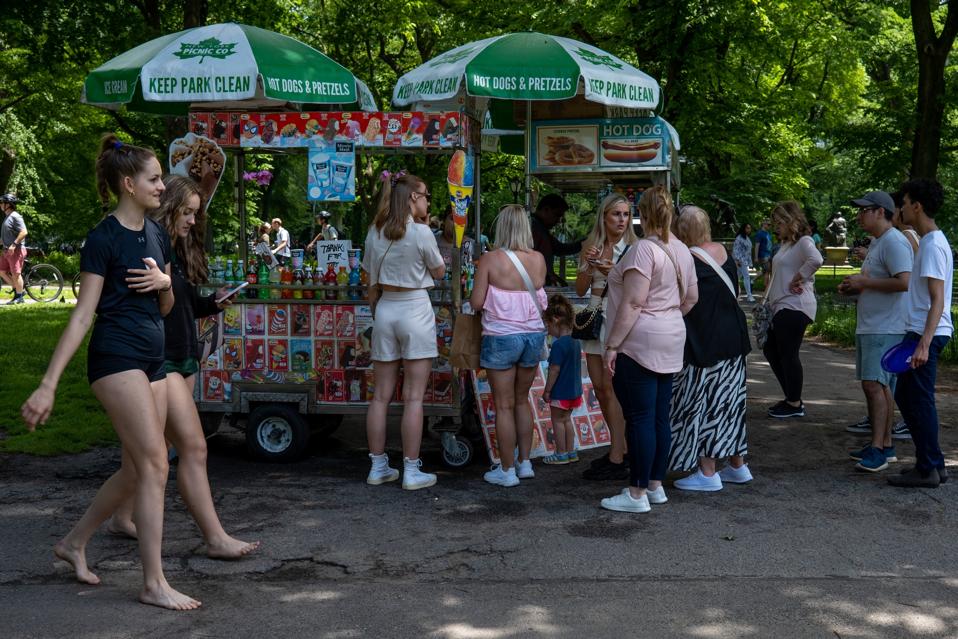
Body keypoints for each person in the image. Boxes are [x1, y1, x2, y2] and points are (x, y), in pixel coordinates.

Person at [20, 134, 200, 610]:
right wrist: (47, 384)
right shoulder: (102, 239)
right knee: (156, 465)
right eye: (155, 179)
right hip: (115, 357)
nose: (163, 186)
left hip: (153, 359)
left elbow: (164, 305)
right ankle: (153, 583)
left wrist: (165, 283)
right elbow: (83, 314)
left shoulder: (158, 234)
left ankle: (74, 543)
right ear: (128, 184)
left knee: (136, 467)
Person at [105, 175, 260, 557]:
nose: (193, 221)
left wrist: (213, 303)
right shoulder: (148, 245)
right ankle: (213, 538)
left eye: (195, 214)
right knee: (176, 450)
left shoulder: (174, 249)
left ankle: (113, 521)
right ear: (169, 206)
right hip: (161, 361)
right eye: (187, 213)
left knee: (149, 454)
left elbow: (183, 305)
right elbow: (144, 307)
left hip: (180, 357)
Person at [599, 186, 698, 514]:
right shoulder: (682, 248)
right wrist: (668, 316)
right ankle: (654, 485)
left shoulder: (643, 250)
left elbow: (633, 301)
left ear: (643, 213)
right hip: (671, 337)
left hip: (639, 341)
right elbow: (692, 298)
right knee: (657, 416)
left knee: (639, 418)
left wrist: (612, 345)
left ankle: (636, 493)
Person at [362, 171, 445, 490]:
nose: (426, 202)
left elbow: (369, 279)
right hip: (415, 308)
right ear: (413, 197)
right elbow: (438, 271)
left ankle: (378, 466)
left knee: (380, 396)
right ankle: (411, 470)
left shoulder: (375, 230)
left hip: (386, 309)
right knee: (413, 397)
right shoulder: (422, 233)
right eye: (425, 196)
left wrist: (377, 312)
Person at [669, 206, 752, 491]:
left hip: (704, 341)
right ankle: (738, 465)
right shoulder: (722, 252)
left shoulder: (687, 258)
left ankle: (707, 473)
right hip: (733, 337)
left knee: (704, 403)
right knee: (730, 402)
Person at [470, 204, 548, 487]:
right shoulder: (538, 259)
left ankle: (505, 471)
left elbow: (477, 303)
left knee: (502, 405)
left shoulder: (490, 260)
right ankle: (524, 463)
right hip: (533, 336)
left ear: (501, 227)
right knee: (521, 400)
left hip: (501, 336)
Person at [837, 191, 912, 473]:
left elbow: (904, 282)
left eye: (863, 210)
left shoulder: (894, 241)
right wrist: (854, 286)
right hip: (874, 325)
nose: (858, 216)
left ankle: (879, 449)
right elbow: (878, 281)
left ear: (880, 211)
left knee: (874, 385)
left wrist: (864, 283)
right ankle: (884, 444)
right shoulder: (881, 243)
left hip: (886, 326)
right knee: (878, 386)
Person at [888, 178, 953, 488]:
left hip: (926, 333)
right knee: (908, 395)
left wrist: (924, 343)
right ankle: (933, 464)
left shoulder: (933, 245)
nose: (900, 207)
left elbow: (938, 299)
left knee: (919, 399)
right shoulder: (928, 242)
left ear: (918, 206)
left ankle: (928, 467)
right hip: (920, 331)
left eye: (905, 202)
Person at [574, 193, 637, 481]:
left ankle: (617, 455)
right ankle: (619, 448)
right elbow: (579, 289)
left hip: (616, 319)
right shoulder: (593, 245)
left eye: (625, 214)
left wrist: (615, 273)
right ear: (604, 217)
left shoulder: (634, 247)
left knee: (612, 389)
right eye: (616, 214)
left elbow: (637, 291)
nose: (622, 220)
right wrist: (588, 266)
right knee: (599, 388)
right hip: (594, 316)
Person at [762, 201, 824, 418]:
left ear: (791, 221)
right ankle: (791, 397)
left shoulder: (804, 241)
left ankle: (794, 402)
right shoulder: (787, 245)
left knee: (788, 353)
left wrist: (800, 277)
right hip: (781, 305)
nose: (776, 227)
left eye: (779, 222)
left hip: (795, 305)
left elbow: (816, 259)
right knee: (771, 349)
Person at [540, 294, 582, 465]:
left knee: (557, 421)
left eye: (548, 325)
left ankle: (560, 453)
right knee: (567, 420)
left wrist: (547, 390)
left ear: (556, 320)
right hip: (574, 391)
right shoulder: (576, 341)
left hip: (560, 392)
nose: (548, 330)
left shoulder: (558, 345)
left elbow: (554, 370)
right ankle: (571, 452)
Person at [530, 193, 582, 286]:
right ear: (546, 210)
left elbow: (558, 248)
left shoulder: (541, 228)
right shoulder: (533, 228)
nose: (558, 220)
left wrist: (584, 243)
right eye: (557, 215)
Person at [0, 192, 28, 304]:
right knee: (1, 271)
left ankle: (19, 297)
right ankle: (19, 291)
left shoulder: (16, 216)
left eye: (2, 202)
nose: (0, 204)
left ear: (9, 204)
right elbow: (7, 236)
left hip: (15, 250)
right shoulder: (8, 217)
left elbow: (24, 232)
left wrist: (13, 245)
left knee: (16, 274)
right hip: (7, 250)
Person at [732, 222, 755, 302]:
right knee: (746, 277)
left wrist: (750, 262)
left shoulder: (747, 238)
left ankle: (733, 293)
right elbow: (735, 250)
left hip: (744, 261)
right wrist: (737, 260)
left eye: (750, 228)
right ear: (743, 229)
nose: (749, 230)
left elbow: (749, 252)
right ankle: (749, 296)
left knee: (736, 277)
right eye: (747, 228)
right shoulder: (739, 238)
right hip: (740, 261)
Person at [753, 219, 772, 288]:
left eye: (770, 225)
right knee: (767, 271)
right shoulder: (759, 233)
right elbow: (757, 245)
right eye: (768, 224)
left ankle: (752, 280)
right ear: (763, 224)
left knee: (765, 271)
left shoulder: (768, 234)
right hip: (763, 255)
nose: (770, 226)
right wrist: (756, 257)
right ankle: (766, 288)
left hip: (769, 254)